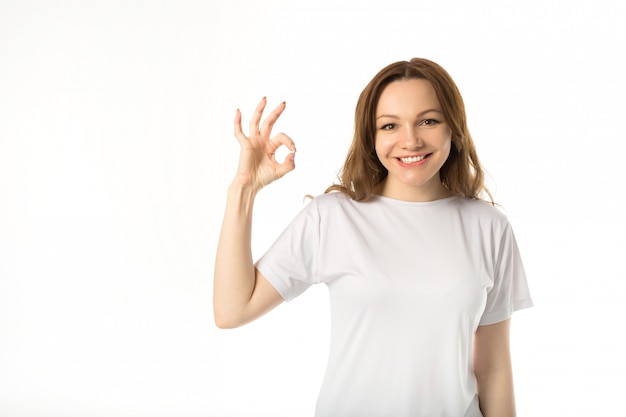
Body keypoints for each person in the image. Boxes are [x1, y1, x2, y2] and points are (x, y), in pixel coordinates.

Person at [213, 57, 533, 417]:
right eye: (389, 125)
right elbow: (231, 310)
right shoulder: (332, 218)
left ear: (453, 129)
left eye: (428, 120)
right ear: (372, 136)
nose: (410, 140)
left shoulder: (488, 227)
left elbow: (494, 369)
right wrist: (242, 189)